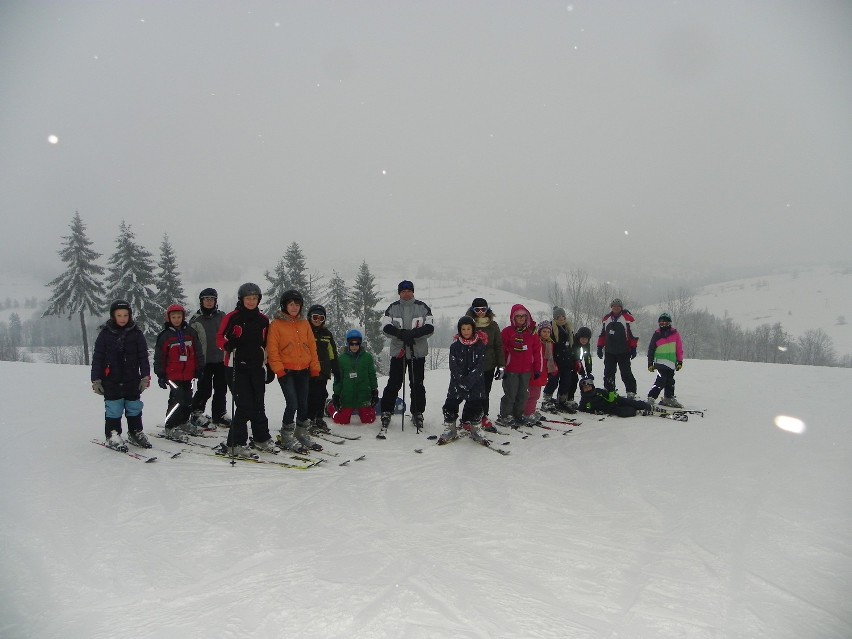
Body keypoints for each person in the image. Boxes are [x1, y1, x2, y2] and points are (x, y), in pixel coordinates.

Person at [216, 283, 273, 459]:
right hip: (235, 367)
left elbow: (267, 344)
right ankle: (235, 443)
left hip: (256, 367)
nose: (251, 301)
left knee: (258, 404)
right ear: (241, 299)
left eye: (254, 298)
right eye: (248, 298)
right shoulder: (233, 317)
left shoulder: (263, 320)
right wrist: (227, 344)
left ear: (258, 300)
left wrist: (269, 366)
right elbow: (219, 338)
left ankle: (261, 438)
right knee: (244, 405)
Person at [91, 300, 152, 451]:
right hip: (111, 380)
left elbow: (143, 357)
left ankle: (135, 431)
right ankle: (113, 434)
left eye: (125, 315)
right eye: (119, 315)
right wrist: (96, 380)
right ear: (113, 316)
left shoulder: (137, 334)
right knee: (114, 408)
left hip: (132, 379)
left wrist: (145, 377)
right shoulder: (105, 335)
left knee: (134, 407)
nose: (123, 318)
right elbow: (98, 358)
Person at [267, 289, 322, 453]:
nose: (294, 307)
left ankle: (301, 432)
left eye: (297, 304)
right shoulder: (276, 325)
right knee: (292, 403)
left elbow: (312, 346)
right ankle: (286, 435)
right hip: (286, 371)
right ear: (284, 305)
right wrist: (278, 369)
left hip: (303, 370)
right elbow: (272, 349)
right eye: (291, 304)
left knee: (304, 404)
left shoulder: (304, 323)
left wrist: (315, 367)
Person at [378, 280, 434, 436]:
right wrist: (401, 334)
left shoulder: (422, 307)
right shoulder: (393, 308)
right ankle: (386, 411)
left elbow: (430, 327)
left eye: (409, 290)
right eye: (403, 291)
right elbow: (386, 327)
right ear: (399, 293)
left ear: (413, 292)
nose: (406, 293)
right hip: (399, 352)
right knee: (394, 383)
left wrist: (414, 334)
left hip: (417, 352)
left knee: (417, 384)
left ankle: (417, 412)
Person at [154, 304, 205, 440]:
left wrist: (200, 368)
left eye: (179, 317)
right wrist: (160, 374)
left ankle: (183, 422)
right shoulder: (165, 336)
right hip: (172, 375)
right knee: (177, 399)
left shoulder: (190, 332)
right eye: (173, 317)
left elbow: (198, 351)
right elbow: (159, 357)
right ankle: (170, 426)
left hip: (188, 374)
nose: (176, 319)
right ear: (168, 318)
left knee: (188, 398)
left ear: (183, 317)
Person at [439, 317, 488, 444]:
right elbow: (453, 365)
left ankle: (476, 429)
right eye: (463, 329)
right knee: (450, 405)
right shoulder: (455, 346)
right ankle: (450, 429)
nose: (466, 331)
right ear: (459, 330)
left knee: (476, 407)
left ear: (473, 329)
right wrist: (460, 380)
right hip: (457, 382)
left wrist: (470, 380)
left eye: (468, 329)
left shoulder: (480, 345)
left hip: (476, 383)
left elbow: (480, 366)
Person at [189, 288, 230, 428]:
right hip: (204, 362)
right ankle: (196, 413)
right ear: (201, 301)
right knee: (204, 389)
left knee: (221, 389)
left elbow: (229, 333)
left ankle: (219, 414)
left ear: (215, 301)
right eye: (206, 299)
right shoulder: (196, 319)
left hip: (220, 359)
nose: (209, 302)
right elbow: (191, 343)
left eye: (211, 299)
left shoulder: (222, 316)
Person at [495, 303, 542, 428]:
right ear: (513, 318)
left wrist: (537, 369)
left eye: (523, 316)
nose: (521, 318)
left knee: (523, 394)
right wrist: (501, 367)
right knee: (511, 393)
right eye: (518, 316)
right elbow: (501, 351)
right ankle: (506, 415)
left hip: (526, 370)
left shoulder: (532, 333)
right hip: (511, 370)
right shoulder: (507, 332)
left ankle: (518, 414)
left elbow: (537, 353)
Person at [466, 297, 504, 432]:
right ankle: (468, 418)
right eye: (477, 309)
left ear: (488, 310)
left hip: (489, 364)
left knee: (485, 392)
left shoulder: (493, 325)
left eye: (484, 309)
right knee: (471, 392)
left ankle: (483, 416)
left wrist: (501, 366)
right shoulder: (468, 324)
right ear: (473, 310)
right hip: (472, 364)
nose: (481, 312)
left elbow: (499, 346)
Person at [329, 329, 378, 425]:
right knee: (342, 421)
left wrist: (374, 391)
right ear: (348, 344)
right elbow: (338, 379)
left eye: (357, 344)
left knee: (369, 420)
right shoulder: (342, 359)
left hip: (363, 396)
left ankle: (369, 409)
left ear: (360, 344)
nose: (354, 346)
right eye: (352, 344)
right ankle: (330, 407)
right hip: (347, 397)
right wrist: (336, 395)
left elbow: (372, 375)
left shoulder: (367, 357)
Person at [306, 304, 340, 433]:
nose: (318, 320)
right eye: (315, 317)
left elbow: (332, 353)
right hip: (308, 370)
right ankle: (308, 419)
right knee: (310, 396)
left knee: (321, 395)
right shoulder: (305, 331)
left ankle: (319, 418)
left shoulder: (327, 334)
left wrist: (335, 368)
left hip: (323, 370)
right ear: (309, 317)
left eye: (321, 318)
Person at [596, 298, 639, 398]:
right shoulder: (606, 318)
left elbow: (634, 334)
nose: (616, 308)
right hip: (609, 351)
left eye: (618, 306)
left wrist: (633, 348)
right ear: (611, 307)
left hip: (623, 351)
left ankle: (631, 391)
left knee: (626, 372)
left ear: (621, 307)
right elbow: (602, 334)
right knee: (608, 372)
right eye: (614, 306)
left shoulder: (628, 318)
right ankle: (609, 390)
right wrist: (599, 347)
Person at [647, 312, 685, 408]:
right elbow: (651, 349)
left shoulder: (675, 334)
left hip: (671, 363)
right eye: (661, 323)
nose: (663, 324)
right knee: (661, 380)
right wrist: (650, 363)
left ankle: (668, 397)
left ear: (669, 323)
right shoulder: (657, 334)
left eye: (665, 322)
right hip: (660, 362)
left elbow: (679, 348)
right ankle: (651, 397)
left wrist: (680, 361)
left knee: (670, 381)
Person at [543, 306, 576, 411]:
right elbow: (548, 344)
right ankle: (547, 400)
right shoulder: (551, 328)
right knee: (553, 381)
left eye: (563, 316)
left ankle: (562, 400)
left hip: (567, 360)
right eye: (558, 316)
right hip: (555, 360)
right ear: (555, 317)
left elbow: (572, 344)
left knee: (566, 381)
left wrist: (574, 358)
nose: (561, 318)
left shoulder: (568, 327)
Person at [524, 320, 553, 424]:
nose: (546, 334)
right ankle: (528, 413)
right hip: (535, 372)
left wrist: (553, 368)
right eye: (544, 331)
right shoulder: (537, 343)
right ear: (539, 331)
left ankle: (531, 410)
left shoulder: (549, 344)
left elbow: (550, 359)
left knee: (536, 394)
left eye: (548, 332)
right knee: (533, 394)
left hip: (543, 373)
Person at [577, 376, 652, 417]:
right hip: (610, 408)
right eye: (585, 388)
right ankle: (637, 411)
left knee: (630, 402)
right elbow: (582, 409)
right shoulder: (584, 399)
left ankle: (648, 407)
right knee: (622, 412)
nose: (587, 389)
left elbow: (611, 399)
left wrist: (611, 390)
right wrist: (594, 411)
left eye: (589, 387)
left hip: (615, 400)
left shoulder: (598, 392)